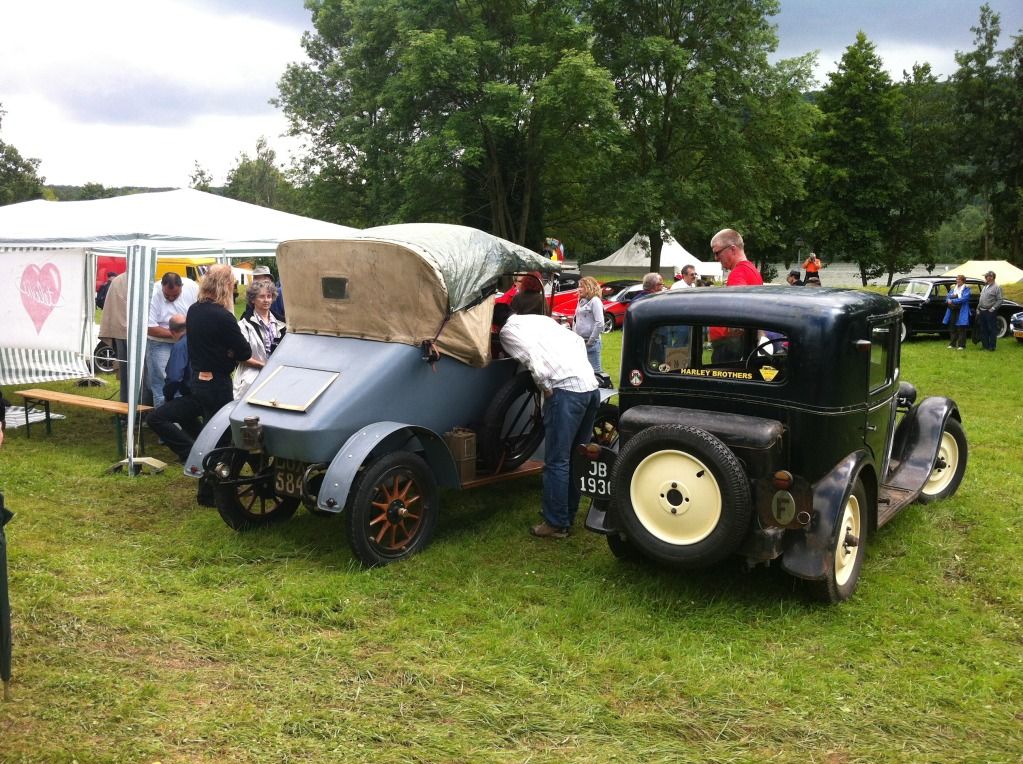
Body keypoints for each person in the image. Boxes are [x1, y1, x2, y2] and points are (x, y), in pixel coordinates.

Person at [497, 296, 599, 539]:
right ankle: (568, 514)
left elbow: (530, 355)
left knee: (557, 460)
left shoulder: (507, 332)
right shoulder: (539, 320)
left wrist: (544, 384)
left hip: (565, 391)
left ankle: (555, 523)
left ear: (494, 326)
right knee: (576, 456)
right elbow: (575, 338)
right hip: (589, 386)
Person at [186, 265, 251, 423]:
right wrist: (229, 352)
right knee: (220, 429)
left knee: (208, 424)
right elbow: (245, 352)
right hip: (217, 382)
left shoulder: (193, 310)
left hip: (196, 378)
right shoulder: (223, 316)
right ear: (226, 285)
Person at [146, 315, 204, 463]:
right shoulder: (202, 340)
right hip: (214, 392)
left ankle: (188, 451)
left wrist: (169, 397)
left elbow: (174, 377)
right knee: (184, 415)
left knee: (155, 418)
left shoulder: (181, 345)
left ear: (171, 332)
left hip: (195, 395)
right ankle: (204, 446)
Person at [708, 229, 763, 362]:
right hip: (740, 343)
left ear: (732, 249)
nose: (716, 258)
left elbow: (736, 315)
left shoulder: (738, 273)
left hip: (730, 346)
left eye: (717, 252)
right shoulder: (752, 270)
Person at [147, 272, 199, 408]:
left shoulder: (192, 287)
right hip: (159, 342)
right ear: (162, 287)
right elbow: (150, 328)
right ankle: (162, 418)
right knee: (163, 380)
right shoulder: (152, 293)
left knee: (186, 378)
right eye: (167, 295)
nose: (170, 298)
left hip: (186, 339)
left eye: (175, 295)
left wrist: (183, 337)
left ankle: (182, 417)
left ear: (182, 286)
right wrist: (178, 334)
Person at [234, 281, 284, 398]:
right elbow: (241, 356)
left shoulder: (282, 323)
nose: (266, 300)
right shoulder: (243, 325)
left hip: (277, 376)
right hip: (251, 378)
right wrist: (265, 366)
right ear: (252, 299)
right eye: (261, 296)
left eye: (269, 296)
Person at [97, 272, 131, 404]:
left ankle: (129, 407)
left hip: (121, 331)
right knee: (130, 375)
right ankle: (131, 409)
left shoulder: (118, 280)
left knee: (127, 375)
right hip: (125, 334)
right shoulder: (122, 280)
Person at [573, 276, 605, 373]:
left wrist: (590, 341)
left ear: (589, 287)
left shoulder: (595, 301)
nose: (579, 289)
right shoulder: (581, 301)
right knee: (581, 372)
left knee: (595, 373)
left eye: (582, 286)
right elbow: (576, 320)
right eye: (579, 286)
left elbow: (600, 323)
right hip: (580, 342)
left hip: (591, 343)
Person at [943, 274, 971, 351]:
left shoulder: (966, 289)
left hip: (961, 310)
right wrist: (950, 299)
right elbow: (947, 297)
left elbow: (964, 299)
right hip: (952, 309)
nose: (957, 281)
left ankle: (962, 345)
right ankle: (952, 344)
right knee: (952, 327)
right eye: (957, 279)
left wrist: (952, 300)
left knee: (961, 327)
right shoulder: (953, 288)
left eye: (959, 279)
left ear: (963, 281)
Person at [977, 270, 1003, 351]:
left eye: (988, 276)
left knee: (991, 329)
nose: (986, 278)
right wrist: (978, 308)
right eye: (986, 276)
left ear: (992, 277)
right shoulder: (985, 286)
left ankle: (992, 347)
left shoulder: (997, 287)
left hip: (990, 311)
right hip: (982, 310)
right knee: (983, 329)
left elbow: (1000, 300)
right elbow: (981, 299)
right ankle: (985, 346)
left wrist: (993, 308)